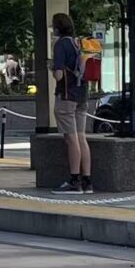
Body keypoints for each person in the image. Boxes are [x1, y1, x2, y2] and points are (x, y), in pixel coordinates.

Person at [51, 12, 91, 193]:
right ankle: (87, 181)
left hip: (66, 96)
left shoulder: (60, 45)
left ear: (58, 27)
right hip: (82, 94)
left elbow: (59, 74)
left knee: (71, 138)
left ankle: (74, 181)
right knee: (81, 137)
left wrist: (52, 69)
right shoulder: (78, 43)